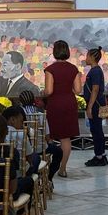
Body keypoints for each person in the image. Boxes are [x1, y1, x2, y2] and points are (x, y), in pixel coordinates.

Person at [43, 40, 80, 178]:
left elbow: (49, 90)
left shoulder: (50, 69)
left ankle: (49, 165)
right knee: (66, 138)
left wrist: (42, 93)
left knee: (50, 134)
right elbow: (77, 90)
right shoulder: (73, 69)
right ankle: (62, 168)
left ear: (54, 52)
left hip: (55, 103)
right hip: (69, 103)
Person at [83, 46, 108, 167]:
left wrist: (89, 107)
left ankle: (99, 157)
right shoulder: (95, 70)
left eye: (87, 55)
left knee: (96, 130)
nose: (85, 58)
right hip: (96, 104)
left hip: (95, 105)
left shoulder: (95, 71)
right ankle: (101, 154)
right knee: (98, 130)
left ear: (93, 57)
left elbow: (95, 89)